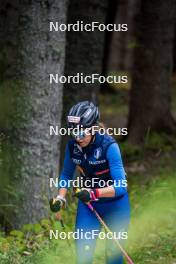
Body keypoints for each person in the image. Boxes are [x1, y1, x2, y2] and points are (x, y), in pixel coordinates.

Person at [50, 101, 130, 264]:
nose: (77, 138)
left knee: (113, 257)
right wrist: (61, 198)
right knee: (83, 255)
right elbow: (66, 174)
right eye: (73, 133)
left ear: (93, 128)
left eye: (81, 133)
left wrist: (94, 193)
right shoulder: (73, 146)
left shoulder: (109, 146)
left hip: (116, 205)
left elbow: (121, 187)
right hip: (89, 206)